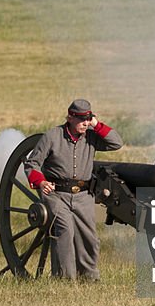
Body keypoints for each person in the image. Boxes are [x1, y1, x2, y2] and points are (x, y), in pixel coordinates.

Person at [23, 99, 123, 280]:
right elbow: (32, 163)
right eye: (81, 119)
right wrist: (41, 182)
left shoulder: (91, 136)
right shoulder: (53, 136)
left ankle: (89, 278)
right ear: (70, 118)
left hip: (83, 195)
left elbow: (116, 143)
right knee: (64, 230)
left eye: (88, 119)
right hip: (56, 194)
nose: (85, 123)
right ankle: (64, 279)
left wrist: (96, 124)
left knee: (89, 237)